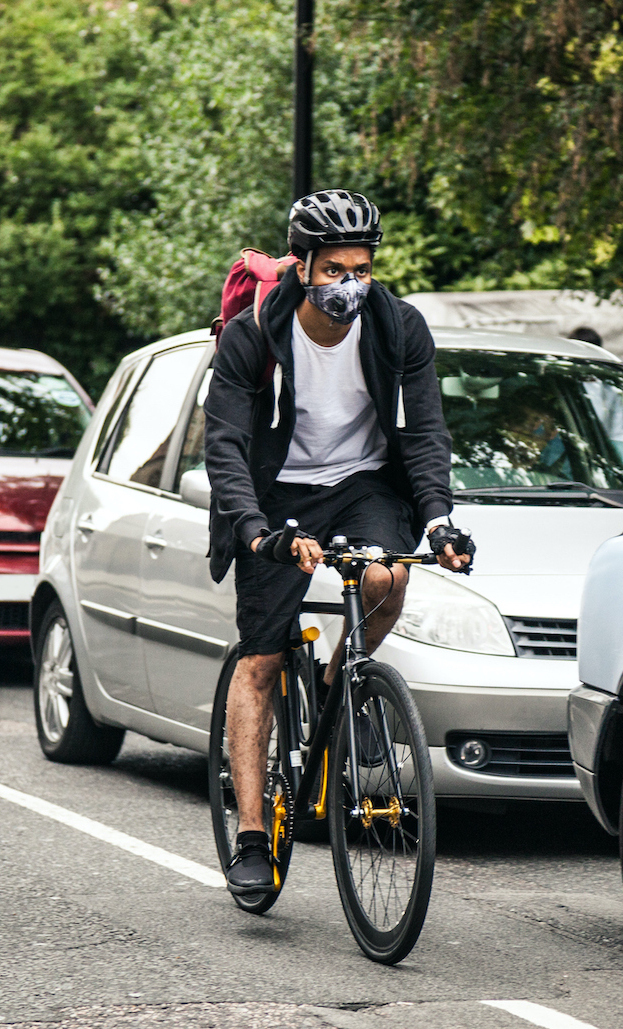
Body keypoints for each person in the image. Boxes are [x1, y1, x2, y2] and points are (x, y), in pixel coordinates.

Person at [203, 190, 474, 895]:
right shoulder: (255, 336)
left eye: (362, 267)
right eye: (335, 270)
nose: (350, 283)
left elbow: (423, 433)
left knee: (388, 579)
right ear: (303, 267)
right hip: (275, 489)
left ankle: (338, 689)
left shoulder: (398, 328)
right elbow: (226, 445)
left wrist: (439, 517)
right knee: (260, 660)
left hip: (362, 483)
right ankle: (254, 835)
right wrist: (255, 531)